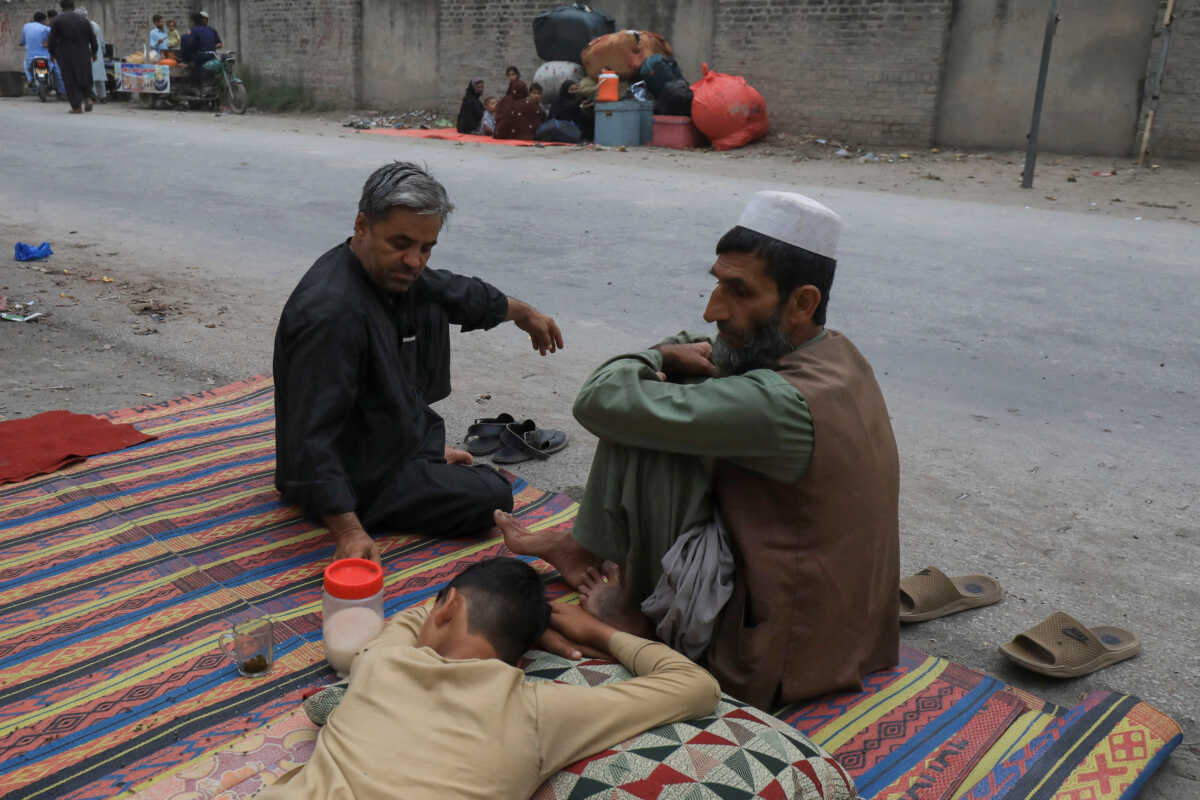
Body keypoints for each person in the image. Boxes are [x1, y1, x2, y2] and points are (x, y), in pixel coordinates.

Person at [499, 191, 900, 711]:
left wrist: (657, 354)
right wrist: (674, 358)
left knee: (649, 419)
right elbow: (696, 351)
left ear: (802, 303)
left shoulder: (777, 402)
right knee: (665, 396)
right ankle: (583, 545)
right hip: (843, 629)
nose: (713, 309)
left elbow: (600, 400)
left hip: (778, 651)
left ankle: (634, 613)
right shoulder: (831, 350)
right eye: (717, 282)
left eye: (738, 292)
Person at [273, 162, 565, 565]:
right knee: (492, 495)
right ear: (362, 226)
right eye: (401, 244)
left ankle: (419, 454)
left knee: (428, 297)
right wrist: (349, 531)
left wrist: (523, 313)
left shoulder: (387, 271)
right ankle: (408, 467)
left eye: (426, 248)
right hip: (350, 474)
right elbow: (310, 437)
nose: (414, 260)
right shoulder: (330, 313)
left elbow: (456, 291)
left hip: (377, 439)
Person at [256, 557, 720, 800]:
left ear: (449, 605)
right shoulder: (539, 711)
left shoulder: (379, 661)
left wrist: (504, 615)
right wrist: (597, 631)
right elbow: (695, 685)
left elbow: (413, 618)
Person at [47, 0, 97, 113]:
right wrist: (94, 52)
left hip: (65, 55)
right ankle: (88, 98)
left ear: (61, 7)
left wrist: (51, 53)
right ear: (74, 6)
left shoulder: (57, 20)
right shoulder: (84, 20)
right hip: (83, 53)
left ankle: (76, 107)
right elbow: (92, 38)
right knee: (84, 75)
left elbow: (52, 39)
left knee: (70, 80)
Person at [536, 79, 589, 143]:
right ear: (565, 90)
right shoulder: (559, 101)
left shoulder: (575, 101)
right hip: (562, 129)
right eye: (571, 90)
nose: (574, 92)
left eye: (575, 89)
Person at [180, 11, 221, 81]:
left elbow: (188, 45)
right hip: (212, 56)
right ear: (203, 20)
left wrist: (185, 59)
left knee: (185, 42)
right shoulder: (212, 30)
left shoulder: (193, 31)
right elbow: (219, 43)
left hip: (200, 57)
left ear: (193, 22)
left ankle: (187, 64)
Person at [77, 8, 105, 100]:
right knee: (99, 77)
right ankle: (102, 96)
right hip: (97, 53)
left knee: (89, 76)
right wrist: (103, 51)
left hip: (89, 54)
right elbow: (101, 41)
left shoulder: (82, 26)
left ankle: (93, 96)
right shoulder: (95, 25)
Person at [19, 12, 52, 86]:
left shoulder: (26, 26)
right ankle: (61, 90)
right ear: (44, 20)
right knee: (55, 69)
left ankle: (30, 79)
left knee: (26, 65)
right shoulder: (46, 28)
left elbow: (23, 41)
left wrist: (22, 43)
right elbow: (53, 38)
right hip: (45, 56)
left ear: (34, 18)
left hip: (31, 57)